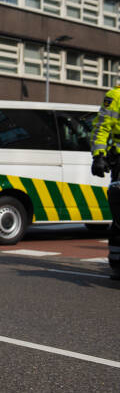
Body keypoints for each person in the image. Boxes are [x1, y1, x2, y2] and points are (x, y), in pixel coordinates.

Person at [90, 81, 120, 280]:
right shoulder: (115, 96)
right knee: (119, 214)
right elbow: (101, 127)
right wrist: (98, 156)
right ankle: (118, 264)